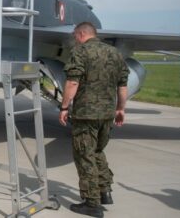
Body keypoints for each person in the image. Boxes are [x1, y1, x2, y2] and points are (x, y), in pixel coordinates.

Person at [59, 22, 128, 218]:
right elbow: (122, 86)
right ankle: (104, 192)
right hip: (107, 114)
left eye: (75, 35)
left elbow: (72, 82)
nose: (75, 39)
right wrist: (121, 108)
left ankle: (92, 203)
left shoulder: (80, 52)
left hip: (86, 114)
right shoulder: (115, 53)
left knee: (84, 155)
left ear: (81, 34)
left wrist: (64, 107)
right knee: (97, 151)